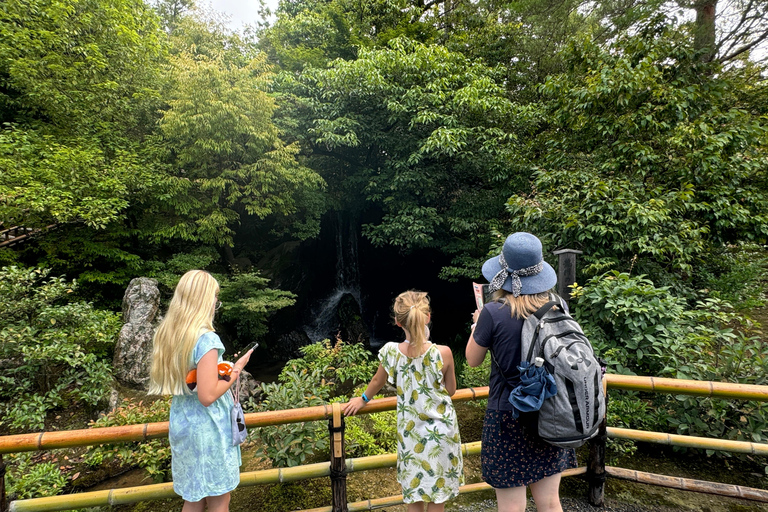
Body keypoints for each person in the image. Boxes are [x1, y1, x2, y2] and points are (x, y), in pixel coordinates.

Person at [465, 232, 576, 512]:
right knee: (550, 503)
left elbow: (472, 359)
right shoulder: (558, 305)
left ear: (503, 274)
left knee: (512, 507)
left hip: (508, 416)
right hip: (552, 412)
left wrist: (477, 326)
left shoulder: (493, 312)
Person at [343, 290, 463, 512]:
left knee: (413, 495)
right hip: (442, 434)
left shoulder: (391, 352)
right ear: (427, 317)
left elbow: (378, 380)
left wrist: (362, 400)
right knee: (437, 498)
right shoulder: (443, 353)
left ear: (398, 322)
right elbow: (452, 390)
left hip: (411, 434)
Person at [148, 270, 254, 512]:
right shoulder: (207, 340)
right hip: (209, 428)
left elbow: (192, 382)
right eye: (215, 296)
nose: (216, 302)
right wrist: (236, 370)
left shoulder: (171, 335)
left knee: (194, 498)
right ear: (204, 299)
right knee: (219, 500)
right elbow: (207, 396)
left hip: (183, 421)